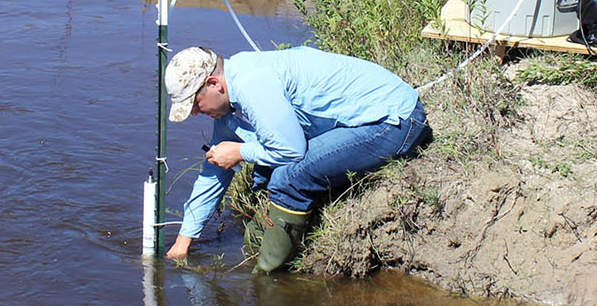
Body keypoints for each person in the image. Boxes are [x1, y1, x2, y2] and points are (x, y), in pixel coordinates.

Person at [163, 45, 431, 272]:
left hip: (394, 121)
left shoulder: (251, 82)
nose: (196, 113)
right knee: (264, 176)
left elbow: (291, 151)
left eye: (195, 104)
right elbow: (214, 174)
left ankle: (265, 279)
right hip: (362, 121)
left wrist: (240, 152)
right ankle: (261, 244)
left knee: (287, 178)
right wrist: (183, 242)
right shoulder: (229, 106)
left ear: (213, 84)